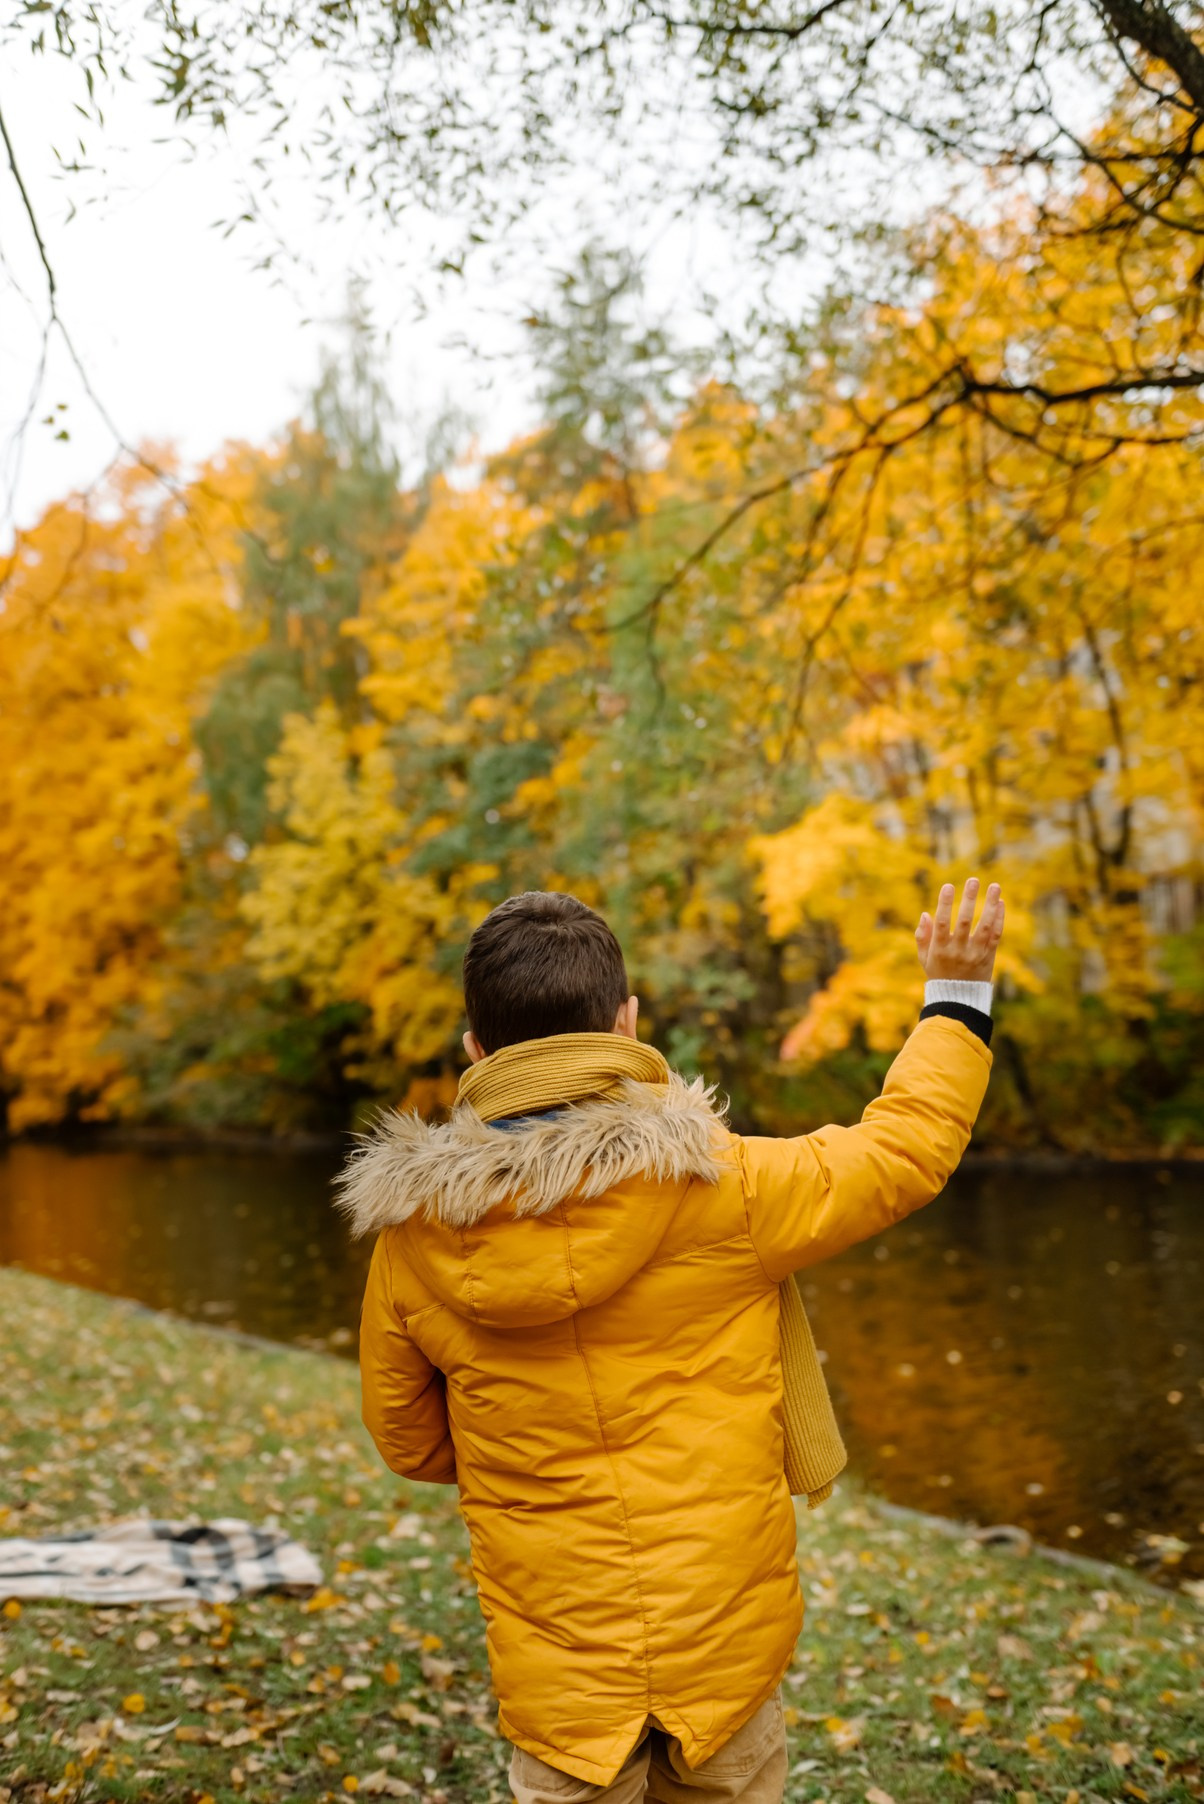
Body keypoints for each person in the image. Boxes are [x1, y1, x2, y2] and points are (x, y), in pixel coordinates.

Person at [340, 878, 1003, 1803]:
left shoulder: (414, 1235)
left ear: (476, 1048)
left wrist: (526, 1457)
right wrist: (955, 1000)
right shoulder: (725, 1187)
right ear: (627, 1023)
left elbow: (407, 1439)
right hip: (721, 1647)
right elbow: (900, 1155)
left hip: (559, 1668)